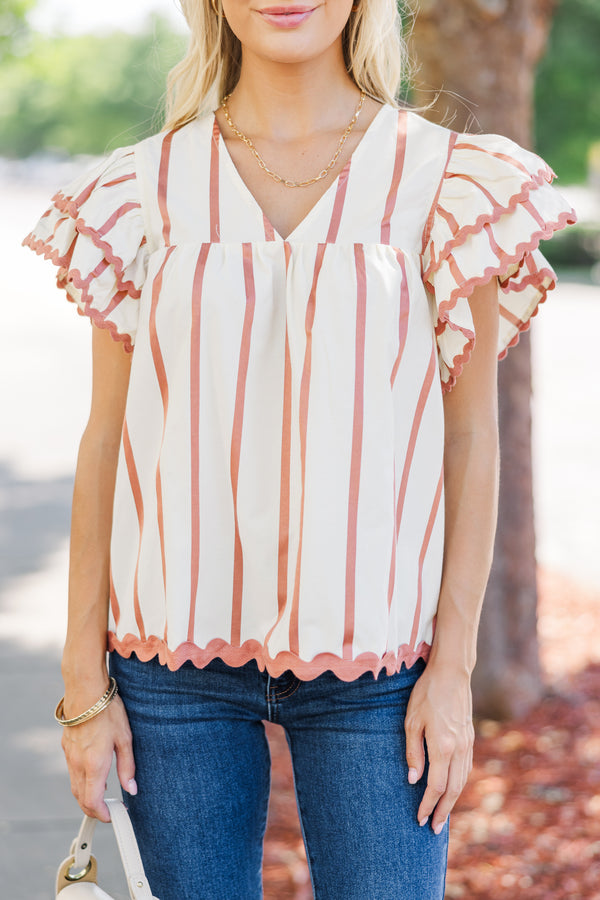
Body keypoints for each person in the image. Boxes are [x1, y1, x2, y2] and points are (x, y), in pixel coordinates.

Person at [24, 1, 576, 897]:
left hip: (382, 674)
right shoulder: (141, 192)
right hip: (169, 672)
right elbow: (107, 442)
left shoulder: (445, 181)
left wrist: (454, 674)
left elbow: (471, 438)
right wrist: (84, 689)